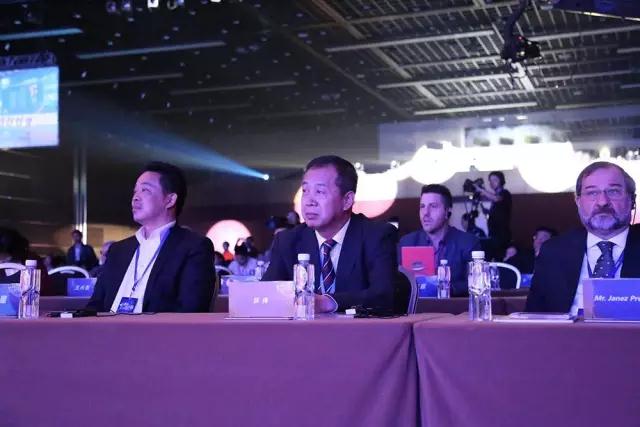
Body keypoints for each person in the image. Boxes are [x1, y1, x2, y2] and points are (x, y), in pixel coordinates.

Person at [263, 155, 399, 313]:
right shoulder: (287, 241)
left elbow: (384, 296)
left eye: (320, 191)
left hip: (356, 328)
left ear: (347, 200)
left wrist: (328, 302)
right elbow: (266, 295)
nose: (309, 201)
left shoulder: (377, 236)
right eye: (305, 191)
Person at [87, 161, 215, 313]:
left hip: (156, 328)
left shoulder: (193, 247)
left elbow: (191, 310)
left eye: (145, 190)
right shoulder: (118, 250)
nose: (135, 198)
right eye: (135, 191)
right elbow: (94, 306)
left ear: (170, 200)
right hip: (107, 327)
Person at [526, 161, 640, 313]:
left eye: (613, 191)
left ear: (632, 200)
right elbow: (533, 316)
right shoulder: (553, 251)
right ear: (578, 201)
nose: (602, 202)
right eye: (592, 193)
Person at [399, 184, 481, 296]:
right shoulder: (407, 242)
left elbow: (475, 283)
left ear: (447, 211)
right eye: (422, 206)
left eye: (433, 206)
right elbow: (398, 284)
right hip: (417, 306)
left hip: (453, 305)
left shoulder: (468, 243)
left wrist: (443, 288)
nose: (425, 213)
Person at [475, 171, 512, 260]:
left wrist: (481, 190)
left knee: (498, 258)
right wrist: (487, 212)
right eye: (490, 181)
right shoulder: (496, 196)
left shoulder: (505, 193)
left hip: (501, 235)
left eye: (495, 180)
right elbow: (499, 212)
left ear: (501, 181)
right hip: (494, 234)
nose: (492, 183)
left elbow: (496, 198)